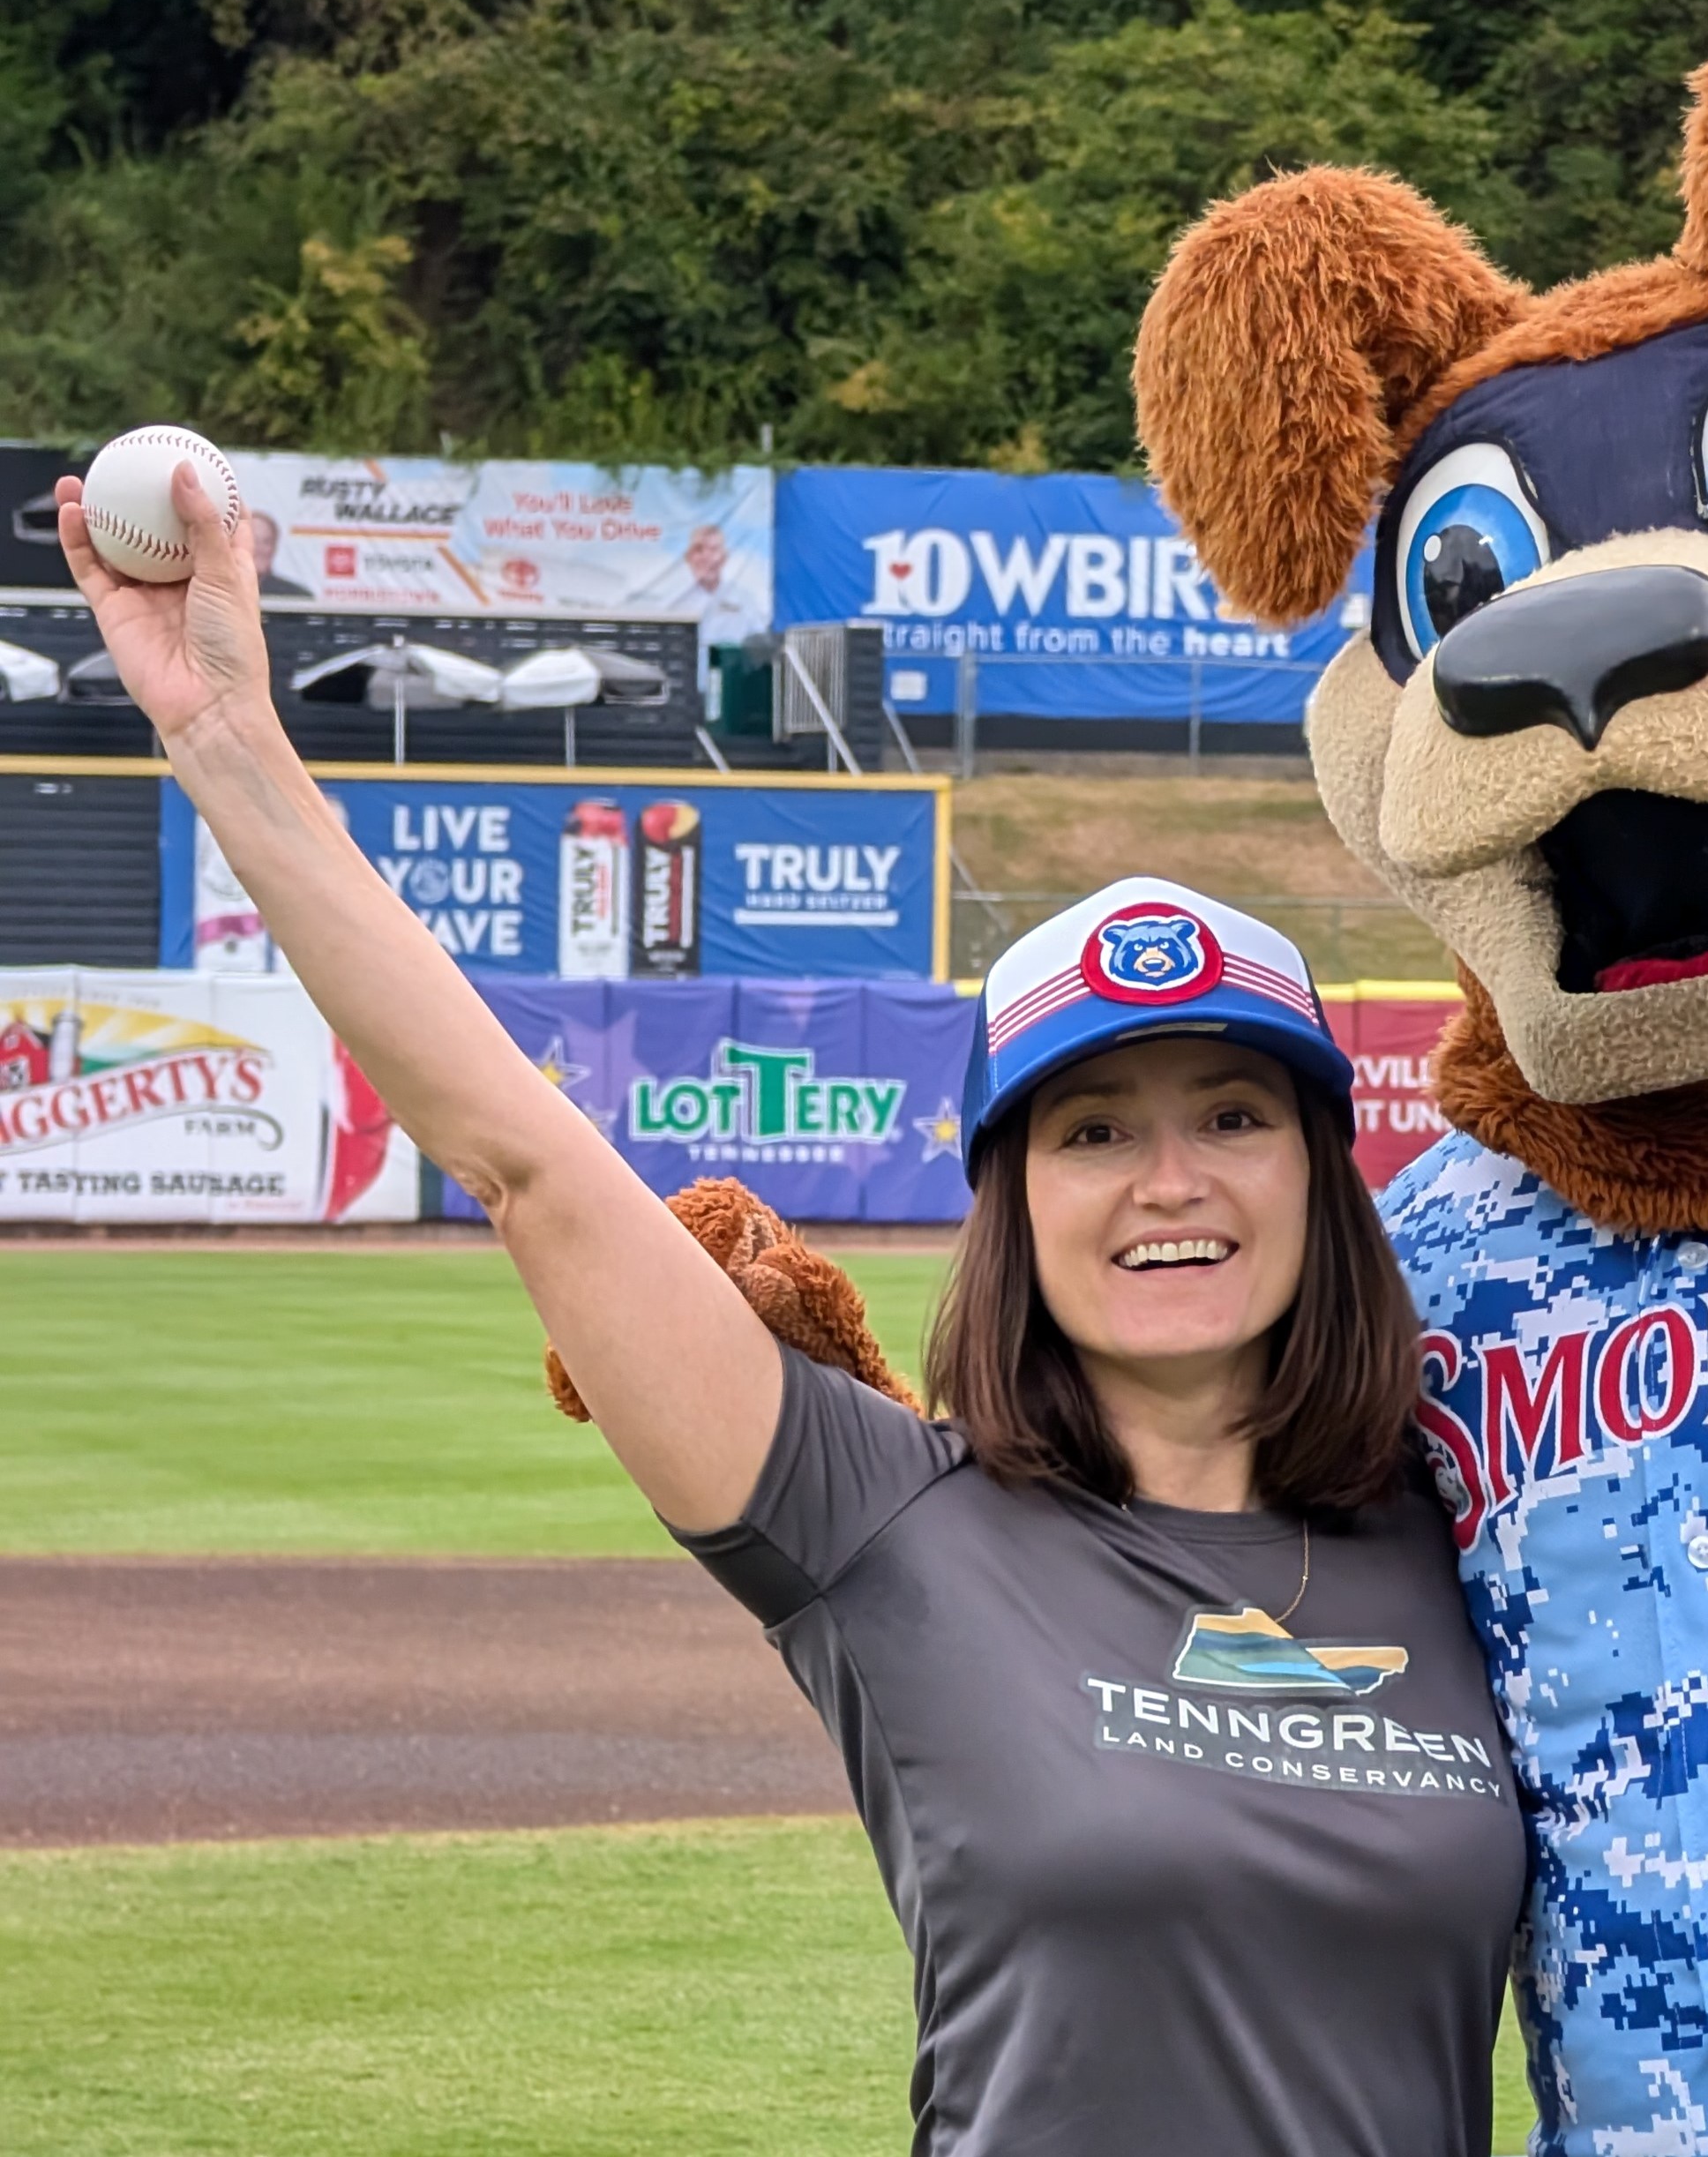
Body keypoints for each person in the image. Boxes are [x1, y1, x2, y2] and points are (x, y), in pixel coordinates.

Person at [57, 467, 1527, 2157]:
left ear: (1324, 1172)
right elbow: (519, 1152)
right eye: (1095, 1129)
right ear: (1015, 1203)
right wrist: (229, 736)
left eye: (1235, 1114)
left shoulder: (1467, 1524)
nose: (1170, 1178)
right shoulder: (886, 1515)